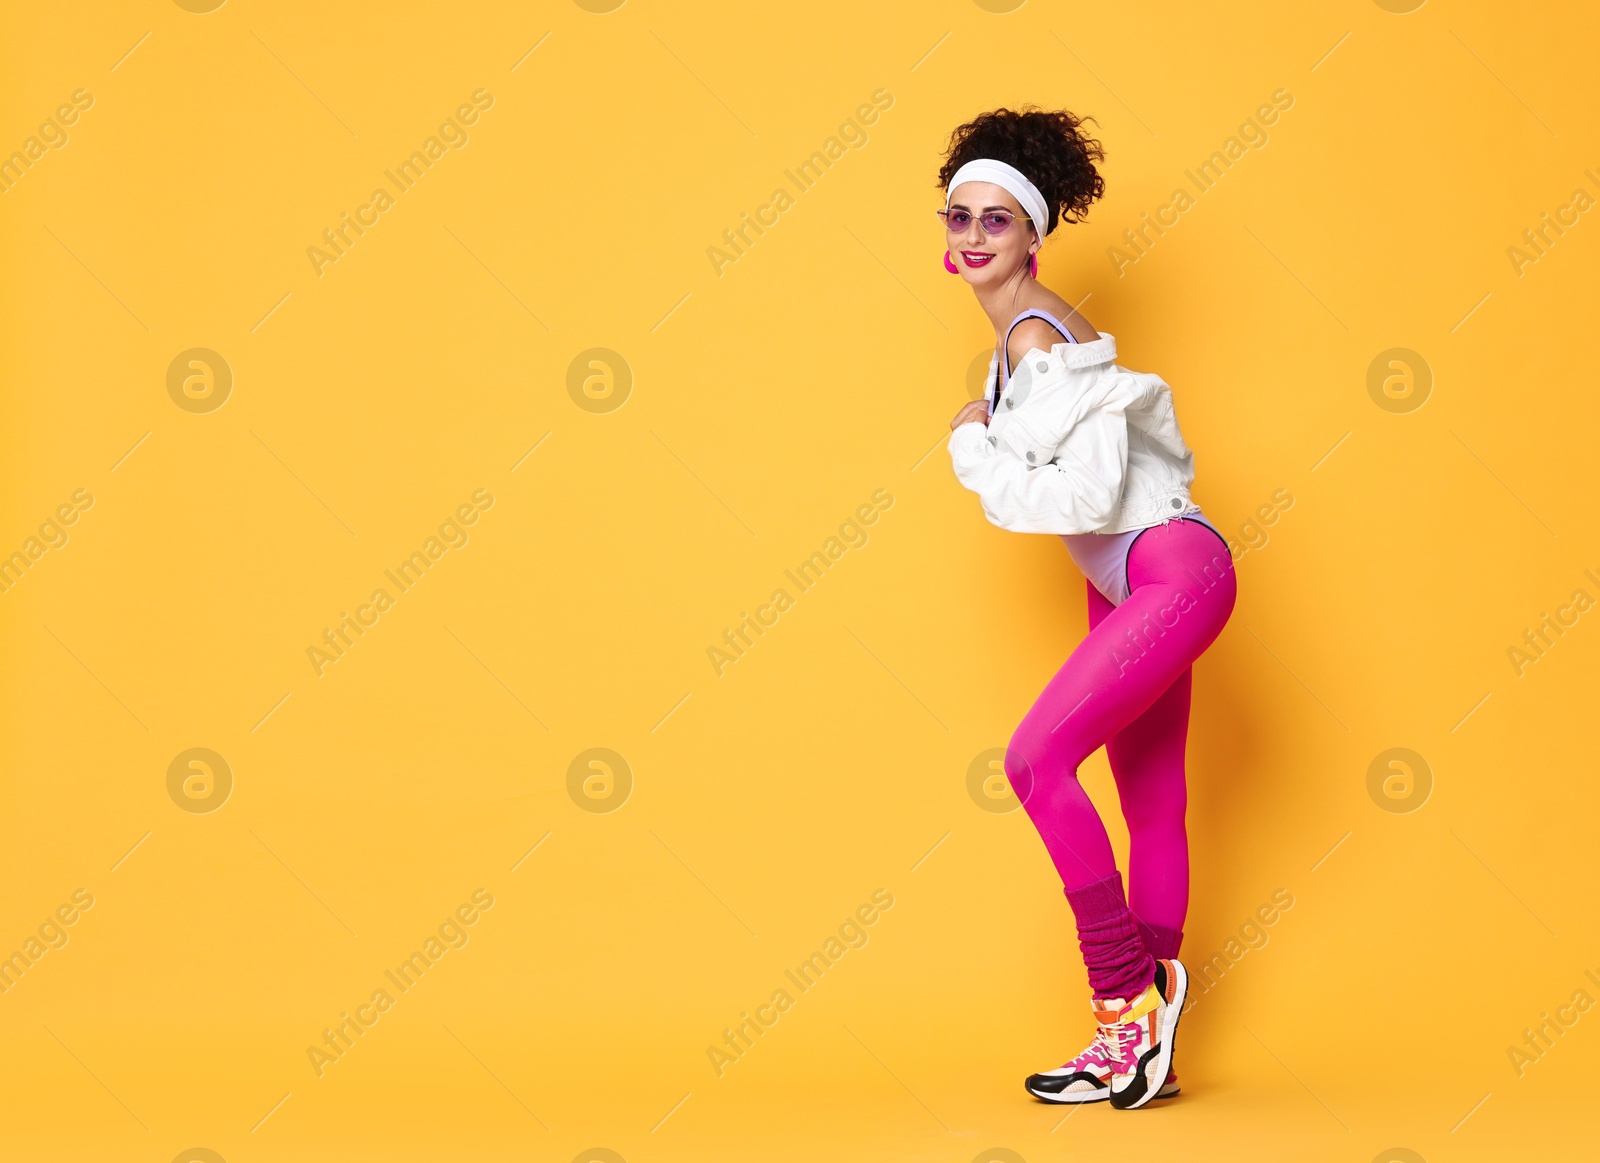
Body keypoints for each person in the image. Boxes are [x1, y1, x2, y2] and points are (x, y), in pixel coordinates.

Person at [939, 107, 1237, 1110]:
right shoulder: (1027, 339)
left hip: (1169, 569)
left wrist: (970, 440)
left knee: (1034, 762)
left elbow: (1075, 498)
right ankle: (1137, 1046)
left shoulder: (1034, 339)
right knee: (1149, 800)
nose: (972, 237)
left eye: (995, 221)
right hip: (1131, 578)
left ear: (1032, 235)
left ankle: (1124, 997)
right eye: (957, 219)